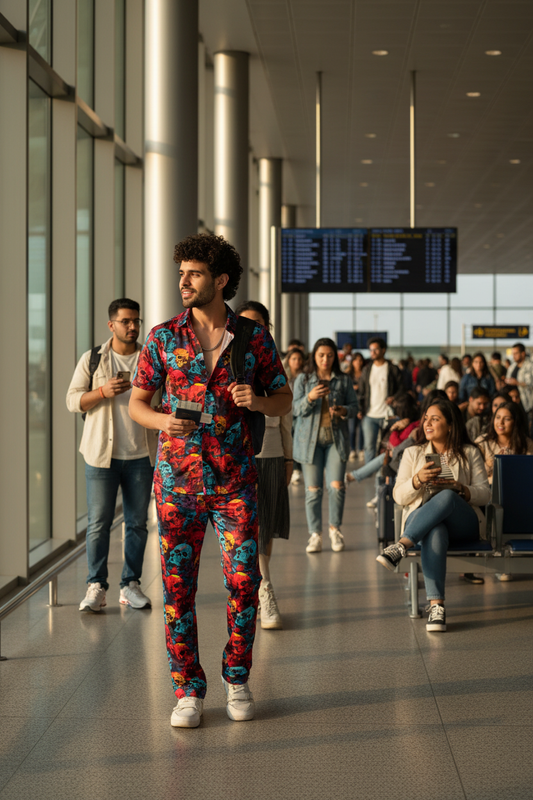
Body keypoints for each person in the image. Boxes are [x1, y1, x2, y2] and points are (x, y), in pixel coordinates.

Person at [129, 233, 291, 728]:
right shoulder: (162, 338)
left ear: (220, 280)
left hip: (235, 481)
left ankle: (236, 678)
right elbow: (137, 403)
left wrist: (257, 402)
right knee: (177, 589)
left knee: (244, 581)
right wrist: (162, 422)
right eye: (181, 272)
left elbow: (283, 399)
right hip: (177, 483)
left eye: (194, 273)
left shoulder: (252, 337)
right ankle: (187, 690)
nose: (183, 281)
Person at [66, 298, 157, 613]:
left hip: (141, 454)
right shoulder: (93, 359)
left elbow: (166, 398)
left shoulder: (150, 357)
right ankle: (96, 586)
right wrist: (102, 392)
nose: (132, 327)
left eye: (136, 321)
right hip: (100, 456)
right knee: (98, 523)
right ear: (112, 325)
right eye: (125, 321)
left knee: (136, 523)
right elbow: (72, 400)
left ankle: (130, 585)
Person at [377, 398, 491, 632]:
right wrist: (417, 480)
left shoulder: (469, 452)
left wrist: (460, 488)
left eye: (435, 419)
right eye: (426, 418)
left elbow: (486, 494)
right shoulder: (412, 453)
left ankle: (400, 546)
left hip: (464, 523)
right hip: (422, 521)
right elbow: (398, 496)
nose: (427, 423)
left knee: (448, 496)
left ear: (450, 425)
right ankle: (436, 606)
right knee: (436, 529)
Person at [235, 301, 292, 630]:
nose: (250, 331)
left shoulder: (272, 362)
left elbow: (285, 415)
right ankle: (263, 586)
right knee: (245, 528)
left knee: (265, 525)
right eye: (244, 324)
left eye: (257, 324)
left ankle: (260, 584)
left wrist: (288, 456)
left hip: (269, 452)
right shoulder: (225, 361)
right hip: (237, 454)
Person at [292, 337, 358, 554]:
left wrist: (343, 411)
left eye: (330, 355)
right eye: (321, 355)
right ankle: (315, 535)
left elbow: (354, 406)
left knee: (337, 486)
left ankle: (334, 529)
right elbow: (295, 409)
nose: (325, 359)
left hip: (335, 440)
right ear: (314, 356)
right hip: (309, 442)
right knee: (313, 490)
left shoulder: (343, 379)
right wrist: (310, 398)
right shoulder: (304, 379)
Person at [476, 401, 533, 583]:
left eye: (506, 419)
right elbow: (474, 475)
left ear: (515, 422)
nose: (500, 422)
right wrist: (491, 465)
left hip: (517, 494)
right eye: (498, 418)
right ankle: (498, 558)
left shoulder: (526, 444)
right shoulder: (483, 442)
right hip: (489, 492)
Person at [346, 393, 419, 487]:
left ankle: (354, 477)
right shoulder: (413, 423)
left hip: (403, 462)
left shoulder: (412, 426)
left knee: (383, 460)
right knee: (383, 463)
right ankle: (377, 495)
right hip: (399, 458)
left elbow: (394, 443)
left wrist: (395, 429)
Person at [357, 337, 401, 467]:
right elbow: (362, 392)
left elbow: (402, 388)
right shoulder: (367, 370)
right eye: (371, 350)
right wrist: (360, 409)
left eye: (376, 349)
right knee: (369, 446)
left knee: (387, 446)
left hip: (387, 414)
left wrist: (394, 397)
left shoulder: (392, 369)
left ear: (383, 350)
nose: (373, 352)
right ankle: (368, 474)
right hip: (370, 414)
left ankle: (384, 473)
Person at [505, 343, 533, 422]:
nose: (514, 356)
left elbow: (531, 384)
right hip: (513, 402)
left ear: (523, 353)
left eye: (516, 353)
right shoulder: (512, 367)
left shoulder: (530, 366)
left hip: (527, 403)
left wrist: (518, 383)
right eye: (513, 354)